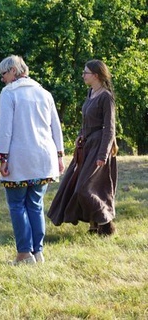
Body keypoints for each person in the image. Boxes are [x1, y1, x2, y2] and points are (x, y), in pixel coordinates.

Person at [0, 55, 64, 265]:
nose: (2, 79)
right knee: (35, 204)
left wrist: (2, 157)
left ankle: (24, 253)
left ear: (14, 70)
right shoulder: (44, 93)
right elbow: (56, 126)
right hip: (44, 156)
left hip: (20, 156)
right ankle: (38, 251)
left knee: (17, 204)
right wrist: (59, 154)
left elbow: (5, 128)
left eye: (4, 74)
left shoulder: (9, 94)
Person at [48, 59, 118, 236]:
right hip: (87, 146)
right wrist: (80, 135)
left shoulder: (106, 97)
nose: (83, 75)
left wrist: (102, 154)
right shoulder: (90, 93)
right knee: (76, 185)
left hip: (99, 147)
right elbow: (86, 119)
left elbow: (109, 128)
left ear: (95, 75)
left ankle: (106, 224)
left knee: (85, 188)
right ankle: (95, 226)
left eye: (85, 72)